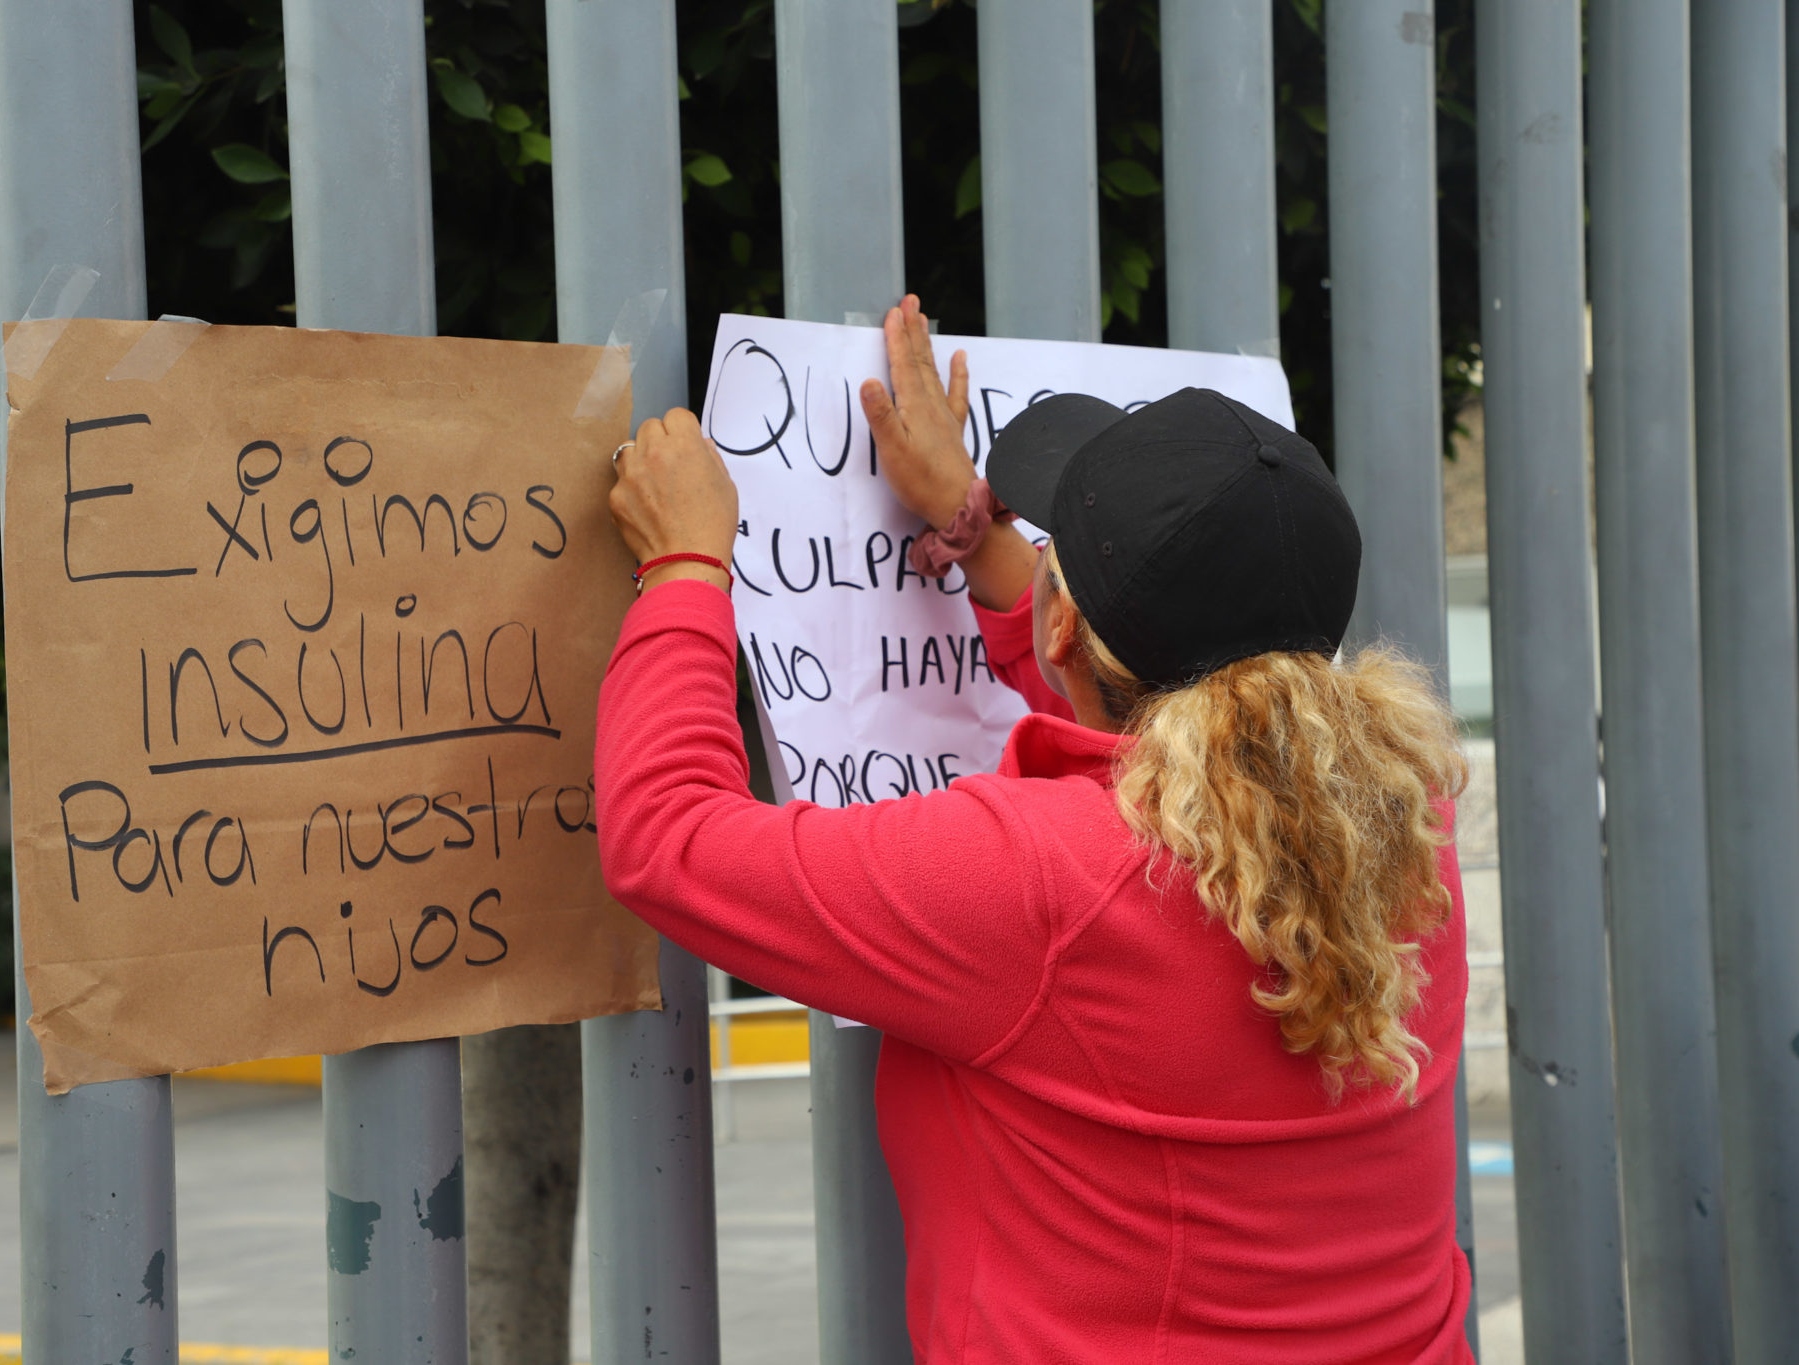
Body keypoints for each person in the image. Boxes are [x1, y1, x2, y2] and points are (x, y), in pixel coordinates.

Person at [595, 294, 1473, 1363]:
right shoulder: (1395, 826)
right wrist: (976, 529)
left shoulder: (1040, 882)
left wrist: (684, 565)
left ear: (1062, 622)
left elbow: (666, 838)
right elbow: (1175, 724)